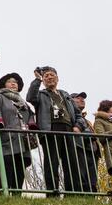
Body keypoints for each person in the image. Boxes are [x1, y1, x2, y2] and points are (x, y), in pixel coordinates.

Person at [26, 66, 82, 197]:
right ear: (43, 80)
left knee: (71, 163)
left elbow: (78, 114)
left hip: (68, 129)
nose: (49, 77)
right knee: (52, 162)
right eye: (46, 76)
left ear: (57, 78)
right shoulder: (41, 94)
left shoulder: (65, 95)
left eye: (52, 75)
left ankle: (73, 194)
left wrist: (78, 126)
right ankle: (52, 193)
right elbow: (30, 97)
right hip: (50, 129)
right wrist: (37, 80)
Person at [0, 73, 36, 193]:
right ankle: (4, 191)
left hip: (23, 138)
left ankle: (17, 193)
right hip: (8, 136)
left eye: (15, 82)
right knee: (7, 164)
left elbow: (31, 115)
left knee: (21, 165)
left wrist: (31, 124)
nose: (13, 83)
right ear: (4, 84)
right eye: (10, 81)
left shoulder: (23, 102)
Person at [71, 92, 99, 193]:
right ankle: (80, 198)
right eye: (78, 98)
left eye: (83, 98)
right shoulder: (70, 115)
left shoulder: (87, 121)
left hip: (92, 151)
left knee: (92, 180)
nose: (82, 100)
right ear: (71, 100)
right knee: (80, 176)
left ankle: (91, 199)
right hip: (79, 148)